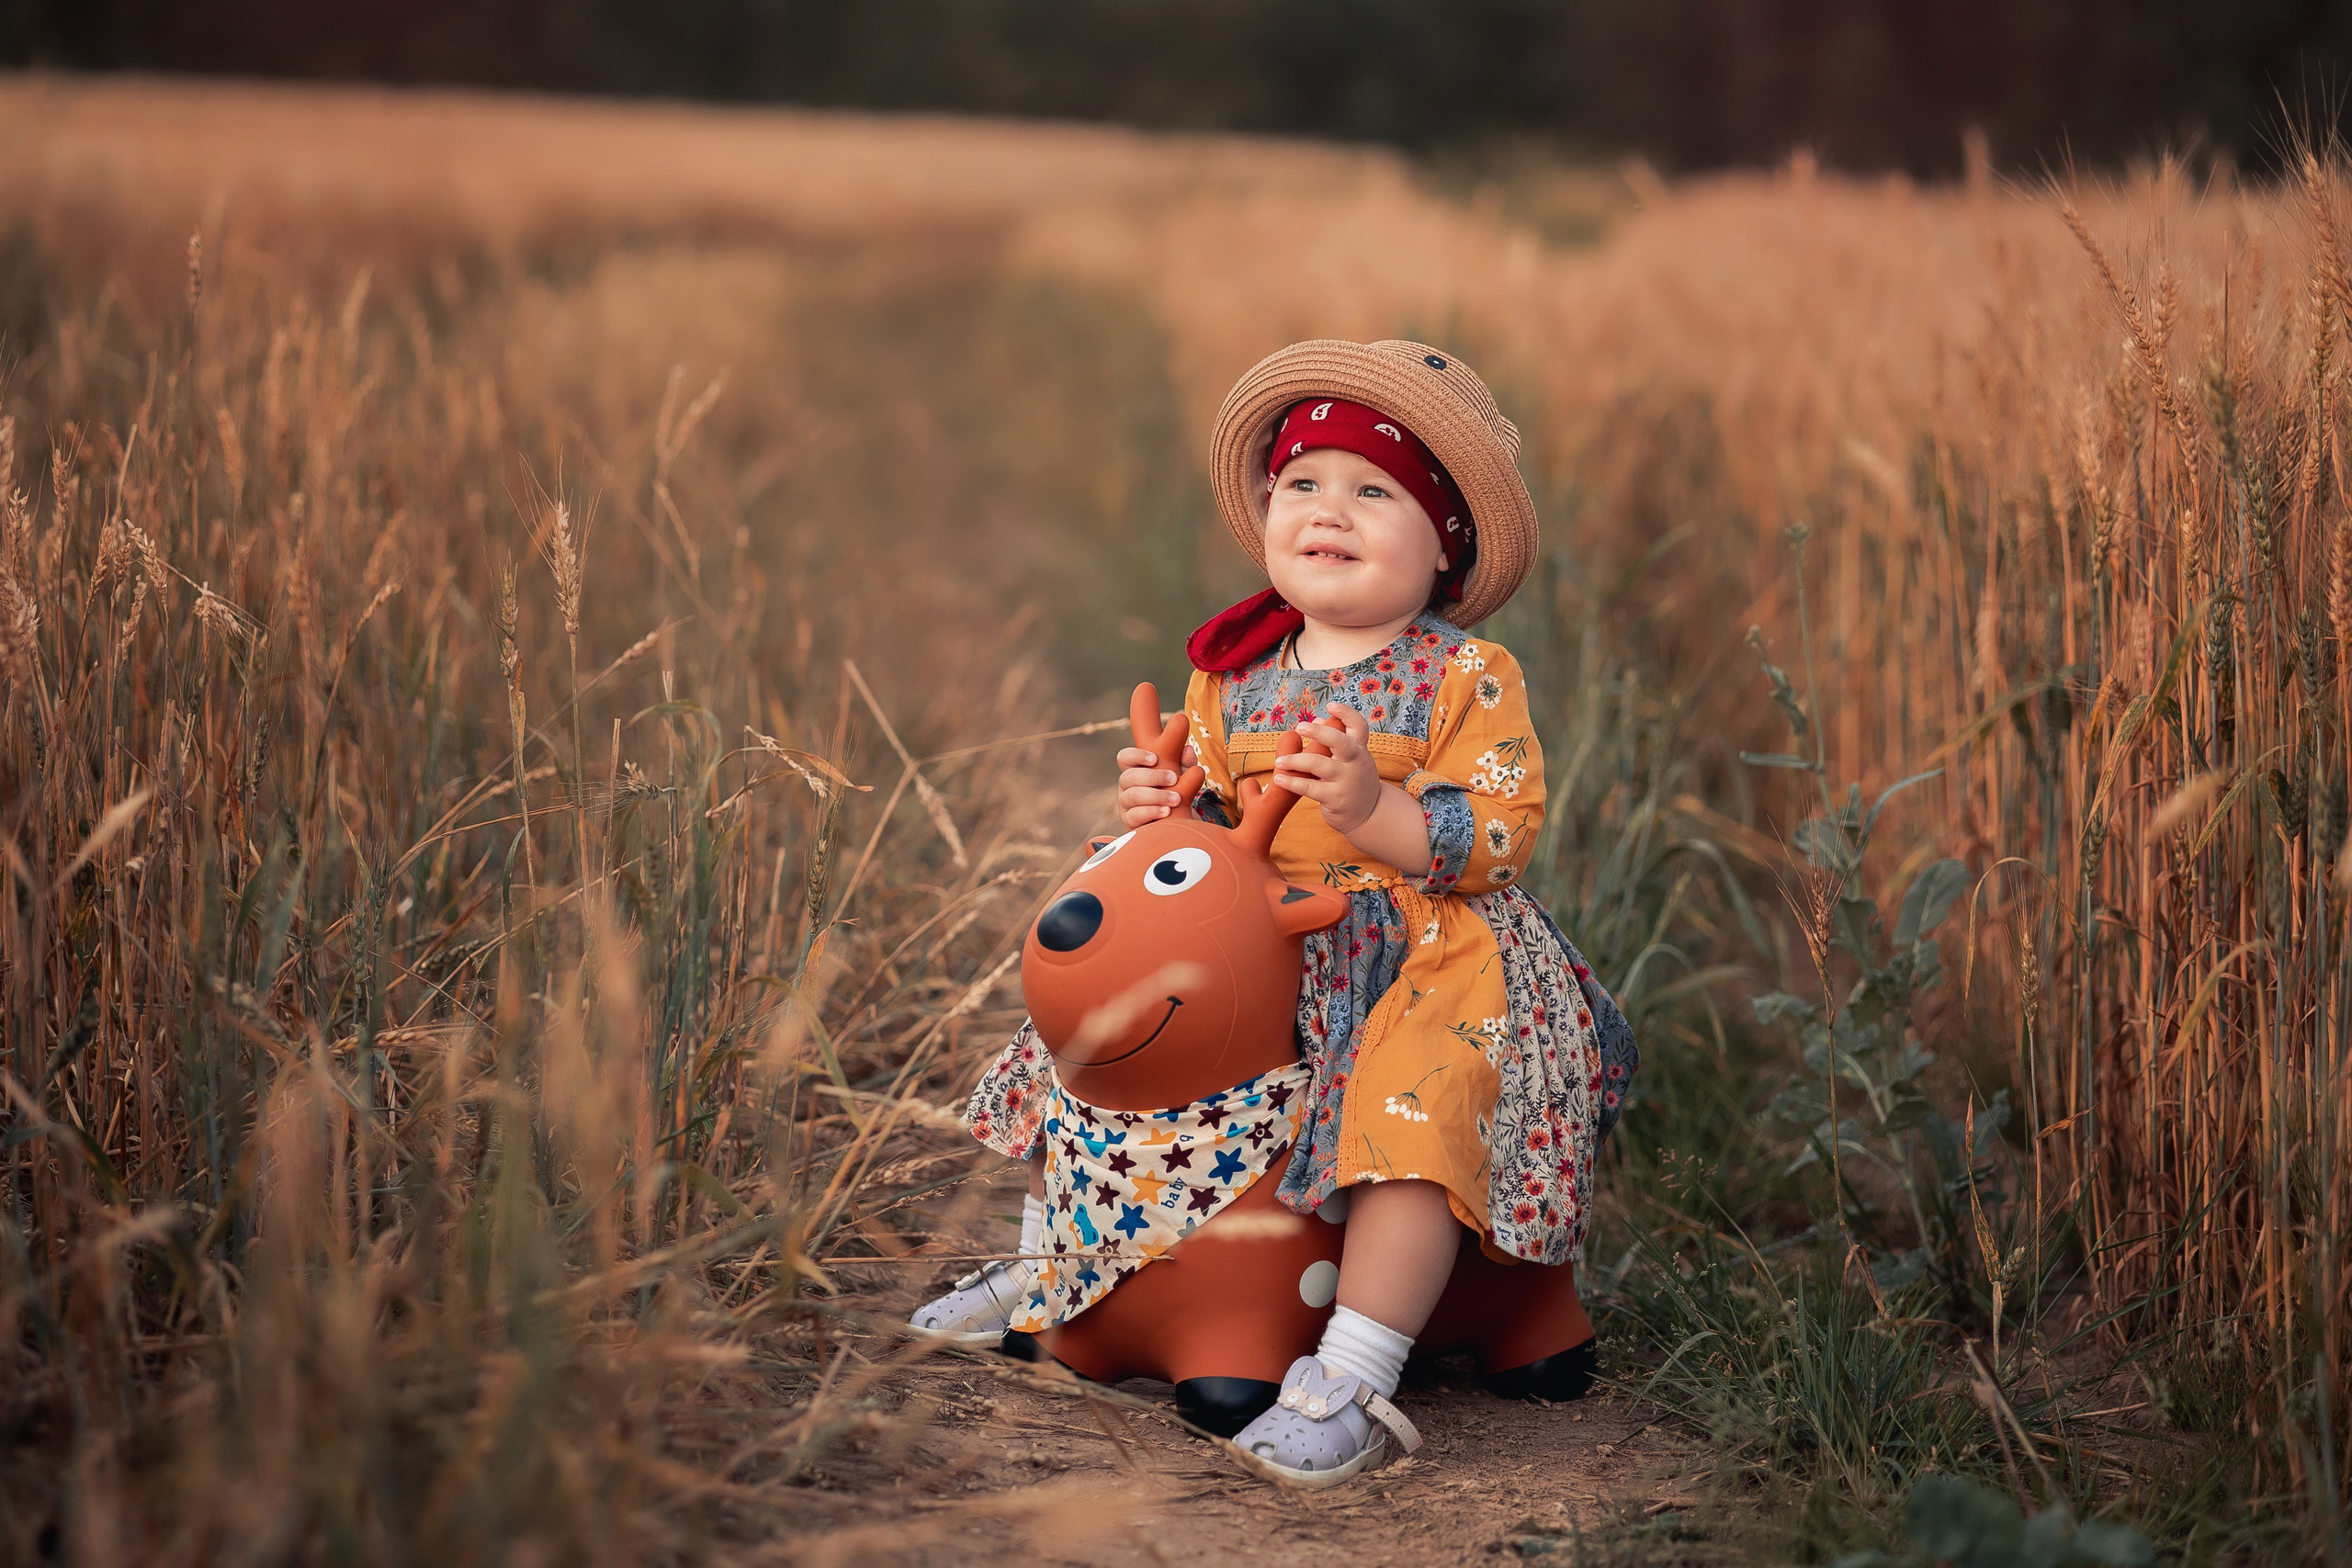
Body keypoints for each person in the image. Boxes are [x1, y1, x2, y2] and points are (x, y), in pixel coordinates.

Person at [911, 339, 1638, 1483]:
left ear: (1443, 539)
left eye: (1372, 490)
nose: (1327, 509)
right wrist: (1165, 804)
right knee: (1097, 1043)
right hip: (1254, 934)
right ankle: (1060, 1261)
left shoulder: (1462, 674)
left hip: (1414, 948)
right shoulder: (1231, 672)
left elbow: (1495, 830)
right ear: (1266, 514)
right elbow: (1199, 828)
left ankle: (1357, 1360)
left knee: (1412, 1110)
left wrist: (1377, 809)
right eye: (1302, 483)